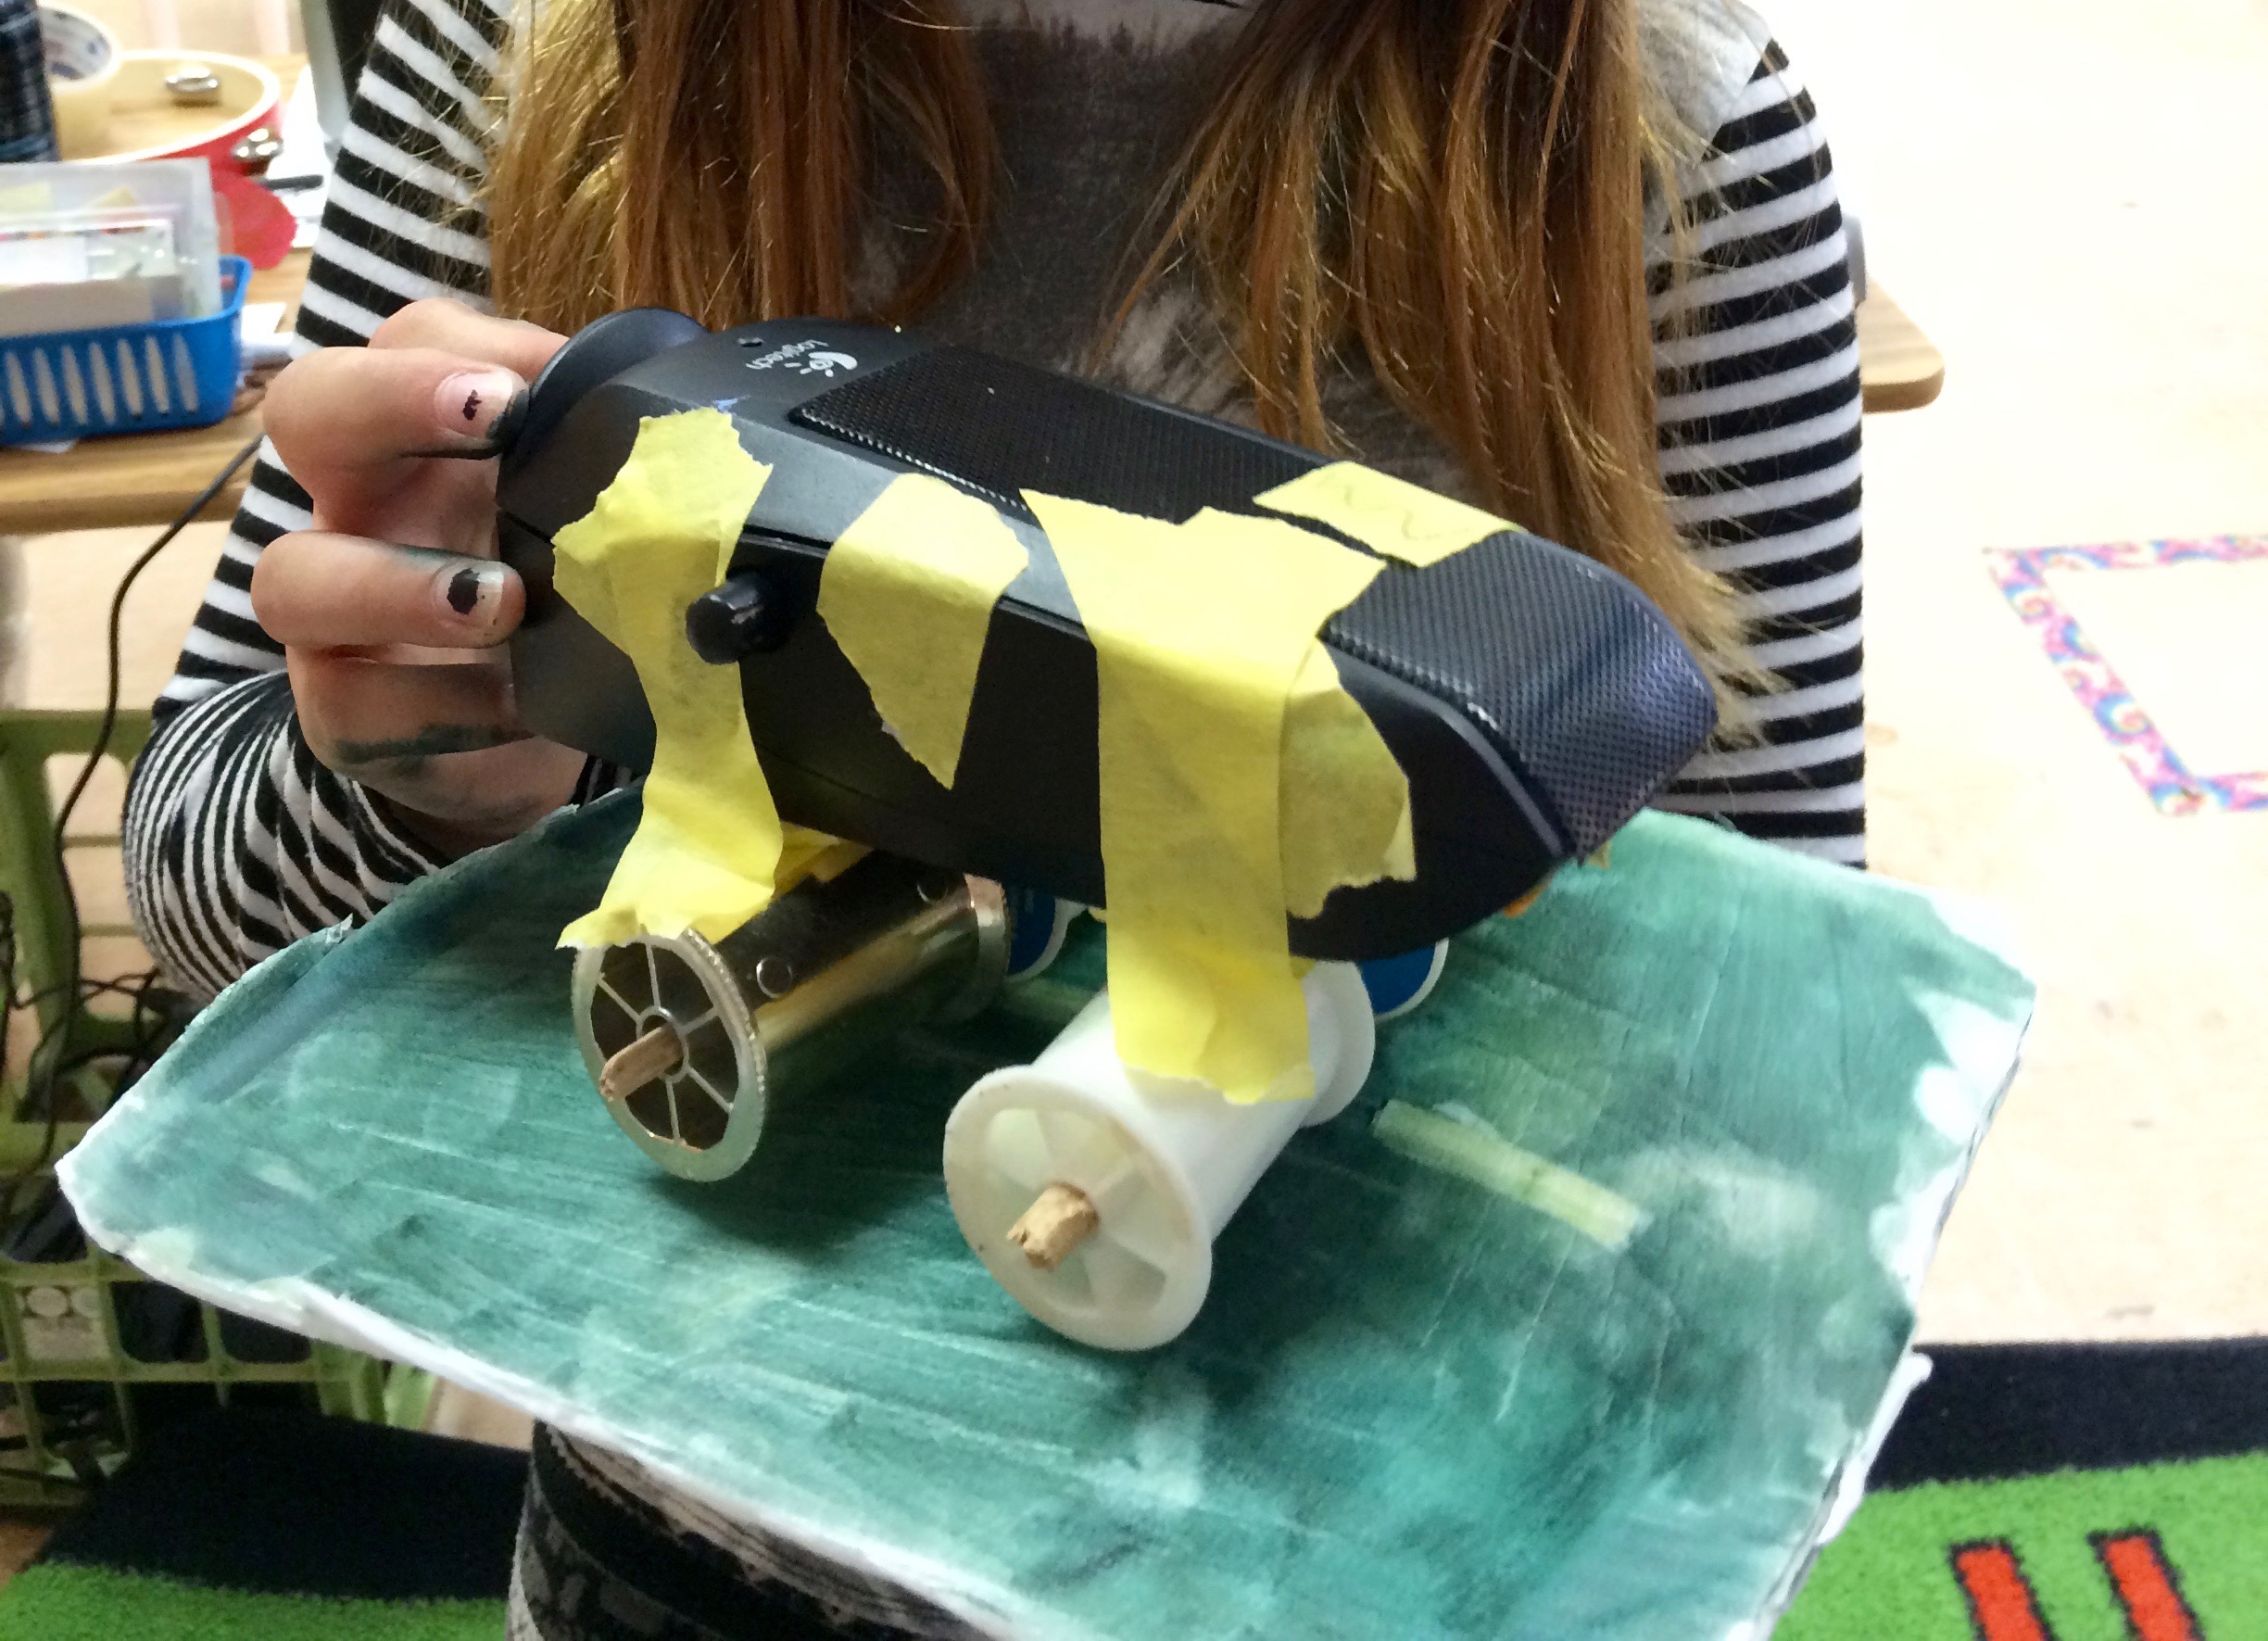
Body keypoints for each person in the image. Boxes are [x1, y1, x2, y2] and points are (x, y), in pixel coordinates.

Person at [124, 0, 1865, 1631]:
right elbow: (205, 901)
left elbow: (1795, 1090)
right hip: (682, 1551)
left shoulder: (1664, 120)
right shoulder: (526, 43)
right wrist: (439, 777)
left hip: (1335, 1572)